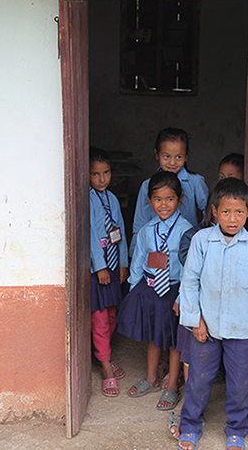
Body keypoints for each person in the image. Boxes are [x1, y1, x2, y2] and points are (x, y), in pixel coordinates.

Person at [177, 177, 248, 450]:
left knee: (240, 384)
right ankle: (190, 424)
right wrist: (195, 321)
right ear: (214, 211)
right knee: (199, 380)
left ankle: (236, 429)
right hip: (207, 327)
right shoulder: (202, 241)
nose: (233, 218)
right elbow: (189, 281)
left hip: (240, 327)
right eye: (225, 211)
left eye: (239, 212)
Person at [117, 171, 192, 410]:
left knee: (173, 340)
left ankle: (171, 386)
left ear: (179, 200)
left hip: (173, 291)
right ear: (149, 201)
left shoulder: (186, 230)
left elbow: (190, 268)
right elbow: (139, 259)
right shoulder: (146, 230)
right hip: (150, 289)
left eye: (170, 199)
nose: (163, 204)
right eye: (158, 199)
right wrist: (133, 290)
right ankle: (151, 377)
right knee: (152, 336)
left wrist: (182, 297)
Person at [129, 127, 208, 256]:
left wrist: (200, 235)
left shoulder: (195, 182)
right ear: (156, 154)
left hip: (187, 249)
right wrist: (134, 253)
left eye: (178, 157)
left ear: (186, 156)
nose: (172, 162)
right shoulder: (147, 185)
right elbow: (140, 222)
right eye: (166, 156)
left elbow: (210, 211)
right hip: (155, 249)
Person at [89, 147, 129, 397]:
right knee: (101, 319)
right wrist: (100, 266)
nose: (102, 179)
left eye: (106, 172)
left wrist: (122, 262)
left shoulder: (112, 198)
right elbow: (91, 235)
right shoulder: (87, 198)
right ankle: (104, 366)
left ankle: (105, 354)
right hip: (99, 269)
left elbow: (121, 230)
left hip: (114, 267)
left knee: (113, 315)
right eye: (95, 174)